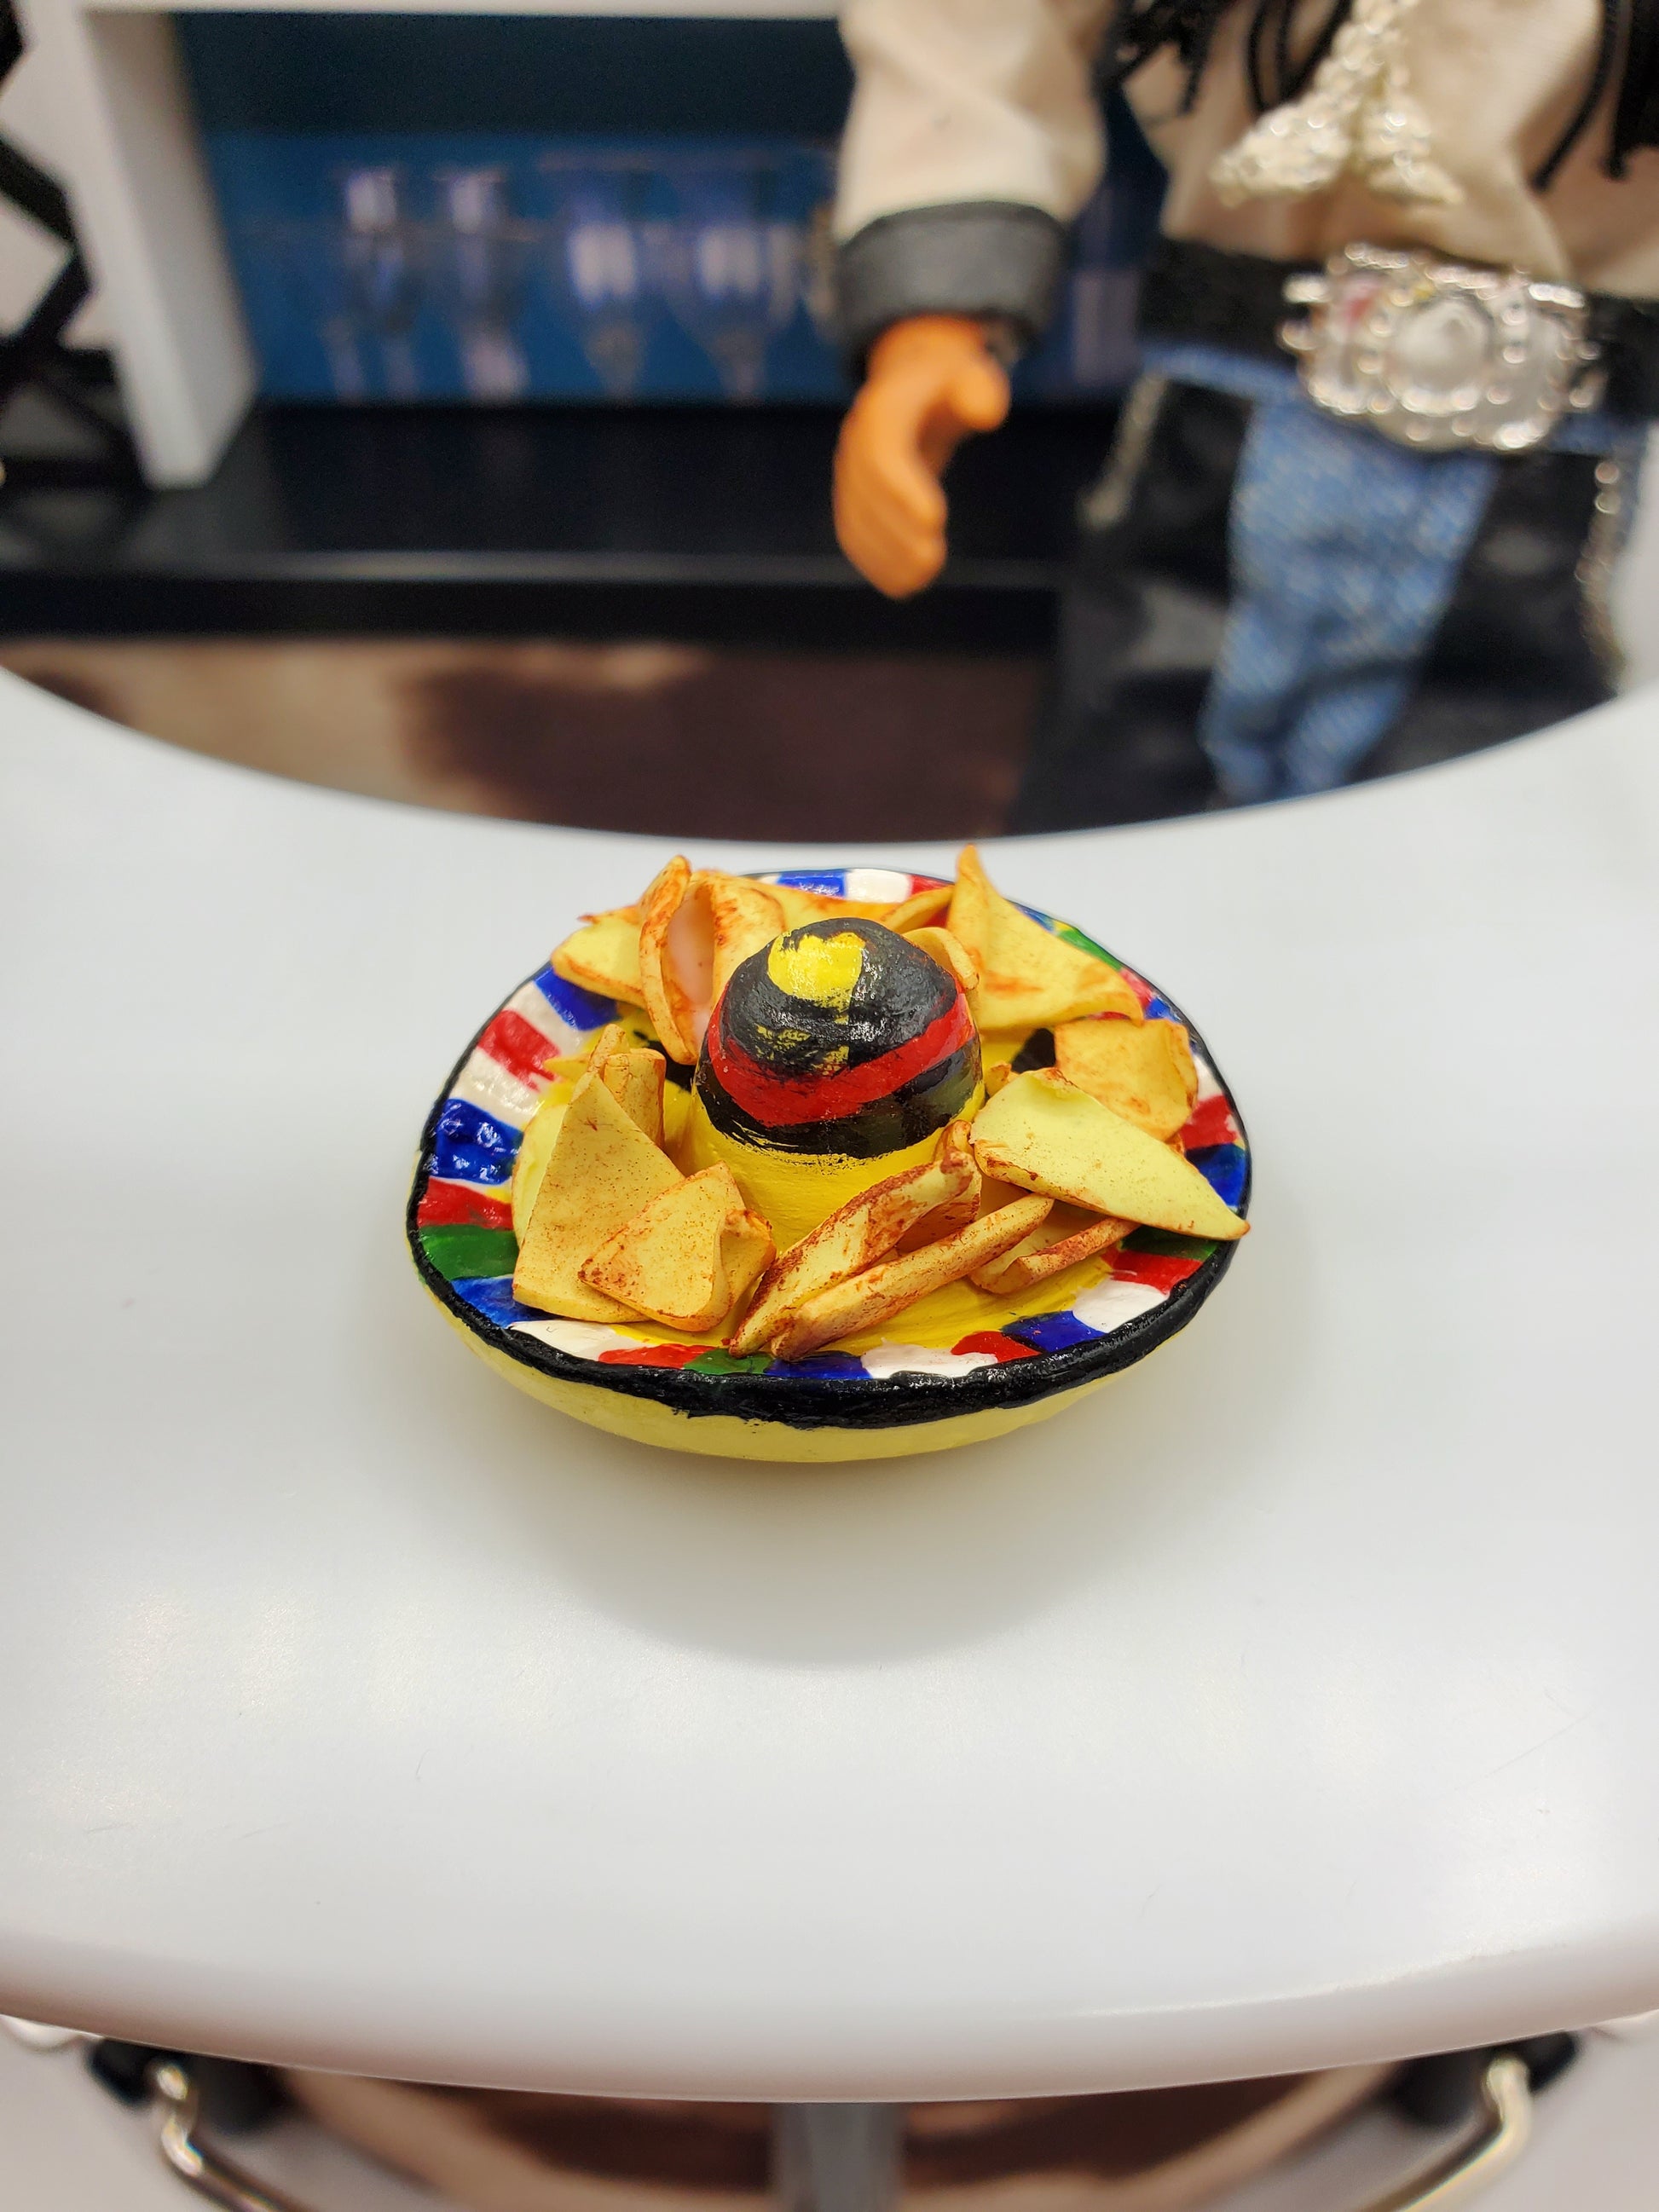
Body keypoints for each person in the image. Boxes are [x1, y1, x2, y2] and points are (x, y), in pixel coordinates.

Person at [830, 0, 1659, 825]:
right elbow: (979, 25)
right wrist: (930, 310)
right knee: (1105, 887)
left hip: (1537, 509)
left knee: (1469, 895)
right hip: (1214, 448)